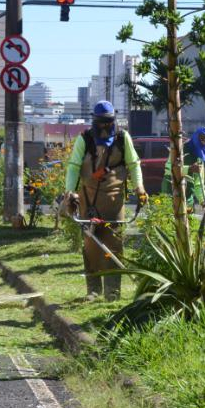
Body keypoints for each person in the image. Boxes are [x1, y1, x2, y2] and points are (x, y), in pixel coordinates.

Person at [64, 101, 148, 301]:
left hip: (114, 201)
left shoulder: (122, 138)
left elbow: (134, 164)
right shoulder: (84, 139)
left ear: (113, 121)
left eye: (108, 122)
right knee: (90, 245)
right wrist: (69, 192)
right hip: (88, 201)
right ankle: (93, 291)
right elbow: (74, 166)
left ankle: (113, 291)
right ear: (94, 121)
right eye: (100, 122)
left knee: (114, 244)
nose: (104, 126)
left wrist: (140, 187)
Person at [161, 126, 205, 210]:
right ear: (196, 136)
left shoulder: (200, 157)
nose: (203, 141)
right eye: (201, 138)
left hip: (187, 198)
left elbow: (198, 183)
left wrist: (203, 201)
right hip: (170, 192)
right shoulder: (180, 149)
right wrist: (189, 169)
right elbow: (169, 169)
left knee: (189, 221)